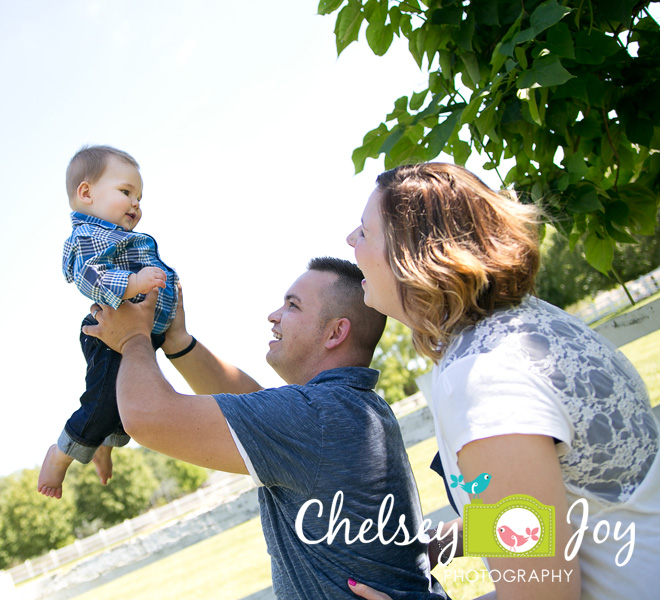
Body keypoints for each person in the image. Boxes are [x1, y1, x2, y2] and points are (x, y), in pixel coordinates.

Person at [346, 162, 660, 599]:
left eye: (364, 231)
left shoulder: (484, 377)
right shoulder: (531, 325)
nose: (349, 241)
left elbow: (544, 593)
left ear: (412, 255)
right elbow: (577, 505)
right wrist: (449, 540)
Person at [84, 257, 448, 600]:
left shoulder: (315, 417)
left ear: (336, 333)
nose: (274, 315)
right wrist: (179, 342)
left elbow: (148, 416)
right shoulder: (352, 406)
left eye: (293, 306)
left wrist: (133, 339)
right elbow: (253, 404)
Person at [37, 145, 178, 498]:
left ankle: (102, 444)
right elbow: (90, 275)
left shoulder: (119, 237)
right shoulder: (88, 236)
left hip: (138, 333)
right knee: (102, 403)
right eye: (126, 192)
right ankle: (60, 454)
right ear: (86, 193)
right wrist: (133, 283)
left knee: (126, 406)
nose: (136, 204)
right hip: (109, 336)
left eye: (140, 197)